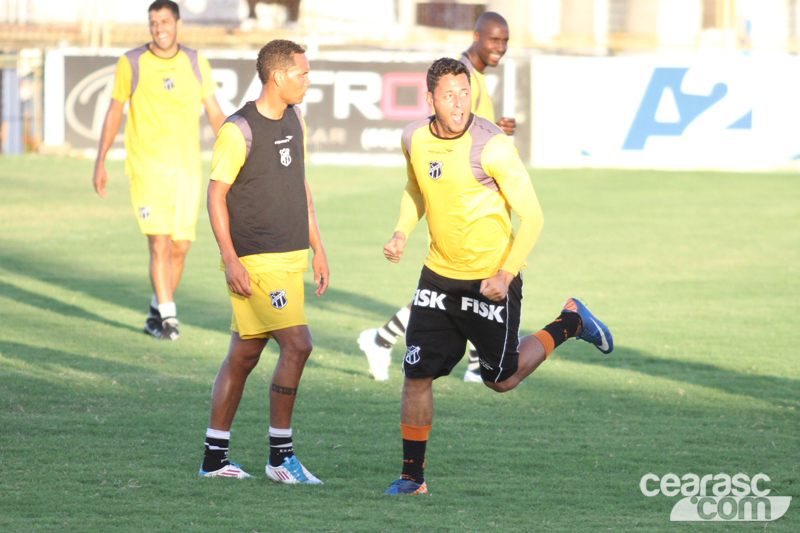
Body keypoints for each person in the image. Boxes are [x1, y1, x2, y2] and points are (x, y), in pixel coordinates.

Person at [381, 58, 613, 495]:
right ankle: (412, 478)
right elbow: (416, 188)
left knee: (501, 379)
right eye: (449, 94)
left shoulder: (492, 146)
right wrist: (400, 231)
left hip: (492, 277)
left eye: (465, 93)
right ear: (429, 98)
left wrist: (506, 274)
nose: (459, 103)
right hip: (438, 278)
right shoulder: (413, 136)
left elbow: (534, 217)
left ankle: (571, 322)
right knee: (416, 374)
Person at [357, 11, 516, 382]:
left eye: (505, 41)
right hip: (461, 195)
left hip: (476, 190)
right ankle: (383, 340)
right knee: (453, 288)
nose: (499, 47)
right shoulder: (463, 75)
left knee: (466, 286)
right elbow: (445, 131)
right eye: (494, 39)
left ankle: (387, 341)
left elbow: (477, 131)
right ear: (476, 36)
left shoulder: (475, 77)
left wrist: (500, 129)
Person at [198, 39, 329, 483]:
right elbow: (215, 195)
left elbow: (301, 187)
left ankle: (214, 459)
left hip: (291, 256)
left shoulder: (295, 117)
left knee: (244, 354)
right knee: (298, 344)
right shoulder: (238, 130)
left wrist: (318, 247)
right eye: (302, 74)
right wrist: (230, 258)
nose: (308, 82)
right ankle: (280, 457)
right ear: (278, 77)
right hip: (257, 260)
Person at [92, 0, 225, 341]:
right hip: (147, 169)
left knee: (180, 247)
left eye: (165, 21)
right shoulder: (132, 62)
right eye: (153, 23)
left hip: (186, 171)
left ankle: (155, 312)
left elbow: (214, 112)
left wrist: (234, 153)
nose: (159, 28)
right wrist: (100, 160)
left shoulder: (195, 62)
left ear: (177, 23)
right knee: (160, 245)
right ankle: (169, 319)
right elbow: (114, 111)